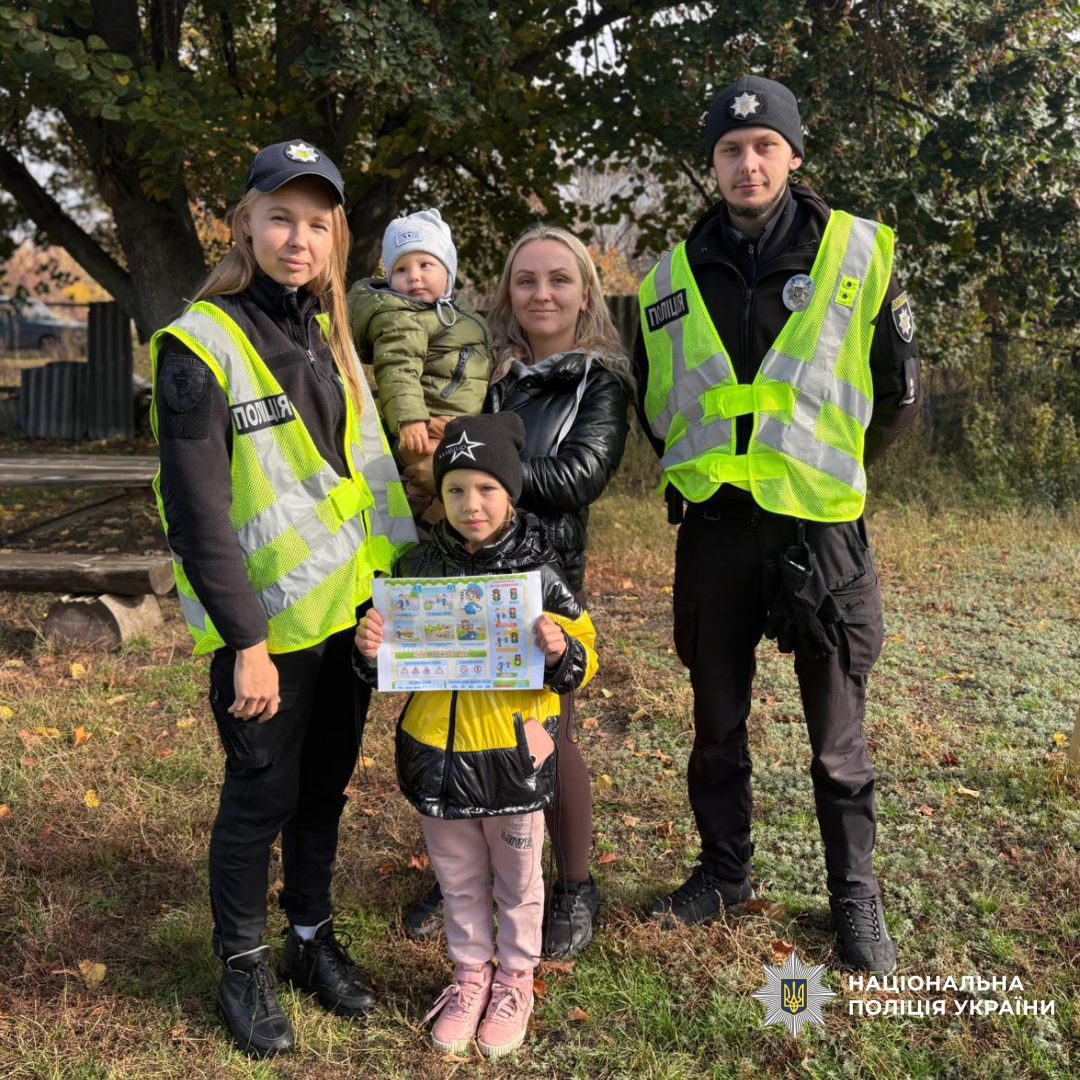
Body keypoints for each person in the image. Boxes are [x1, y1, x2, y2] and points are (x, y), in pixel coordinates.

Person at [635, 77, 921, 974]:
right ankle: (723, 873)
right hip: (716, 530)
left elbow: (895, 397)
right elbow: (658, 406)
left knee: (837, 736)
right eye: (729, 149)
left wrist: (825, 469)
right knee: (717, 722)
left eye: (764, 145)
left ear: (793, 155)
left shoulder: (857, 253)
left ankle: (855, 900)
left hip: (818, 532)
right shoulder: (668, 279)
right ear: (711, 166)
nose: (747, 162)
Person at [150, 139, 416, 1056]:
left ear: (335, 236)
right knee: (258, 800)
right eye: (279, 218)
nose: (296, 237)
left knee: (324, 794)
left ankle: (308, 939)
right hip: (264, 638)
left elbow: (363, 486)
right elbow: (197, 517)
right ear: (245, 224)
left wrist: (392, 605)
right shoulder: (200, 344)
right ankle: (243, 964)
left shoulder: (329, 334)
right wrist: (246, 642)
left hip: (347, 624)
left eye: (315, 222)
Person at [401, 224, 631, 959]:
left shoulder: (600, 382)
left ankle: (573, 884)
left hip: (541, 573)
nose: (541, 293)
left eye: (559, 279)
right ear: (506, 291)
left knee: (543, 734)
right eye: (525, 280)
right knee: (464, 712)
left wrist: (482, 474)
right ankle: (460, 870)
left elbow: (578, 478)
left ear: (585, 292)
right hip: (463, 566)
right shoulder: (486, 374)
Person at [355, 412, 598, 1060]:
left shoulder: (539, 572)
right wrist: (370, 645)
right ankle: (470, 977)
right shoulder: (412, 567)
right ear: (440, 495)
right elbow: (383, 658)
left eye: (487, 488)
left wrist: (561, 649)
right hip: (437, 757)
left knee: (518, 881)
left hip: (514, 758)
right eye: (456, 489)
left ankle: (516, 979)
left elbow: (586, 649)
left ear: (511, 492)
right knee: (459, 880)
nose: (471, 504)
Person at [348, 208, 492, 522]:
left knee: (451, 494)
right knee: (427, 492)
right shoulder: (404, 317)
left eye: (425, 264)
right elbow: (397, 367)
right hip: (427, 423)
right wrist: (410, 419)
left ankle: (430, 541)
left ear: (448, 271)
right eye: (401, 269)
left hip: (456, 423)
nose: (414, 276)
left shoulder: (453, 313)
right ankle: (416, 543)